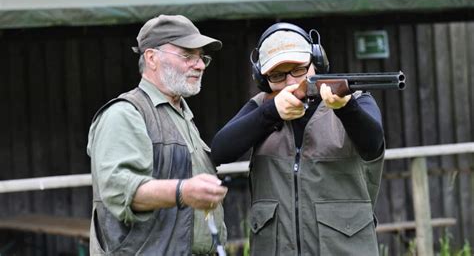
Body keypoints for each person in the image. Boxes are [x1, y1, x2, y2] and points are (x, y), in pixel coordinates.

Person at [211, 22, 385, 256]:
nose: (291, 82)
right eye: (278, 74)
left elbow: (373, 145)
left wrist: (346, 108)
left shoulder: (357, 100)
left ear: (316, 63)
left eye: (299, 69)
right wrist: (271, 112)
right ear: (263, 78)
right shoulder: (262, 107)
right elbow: (220, 150)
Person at [87, 14, 228, 255]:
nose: (200, 65)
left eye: (202, 57)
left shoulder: (182, 114)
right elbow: (119, 190)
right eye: (187, 56)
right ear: (152, 58)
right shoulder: (125, 113)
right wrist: (183, 192)